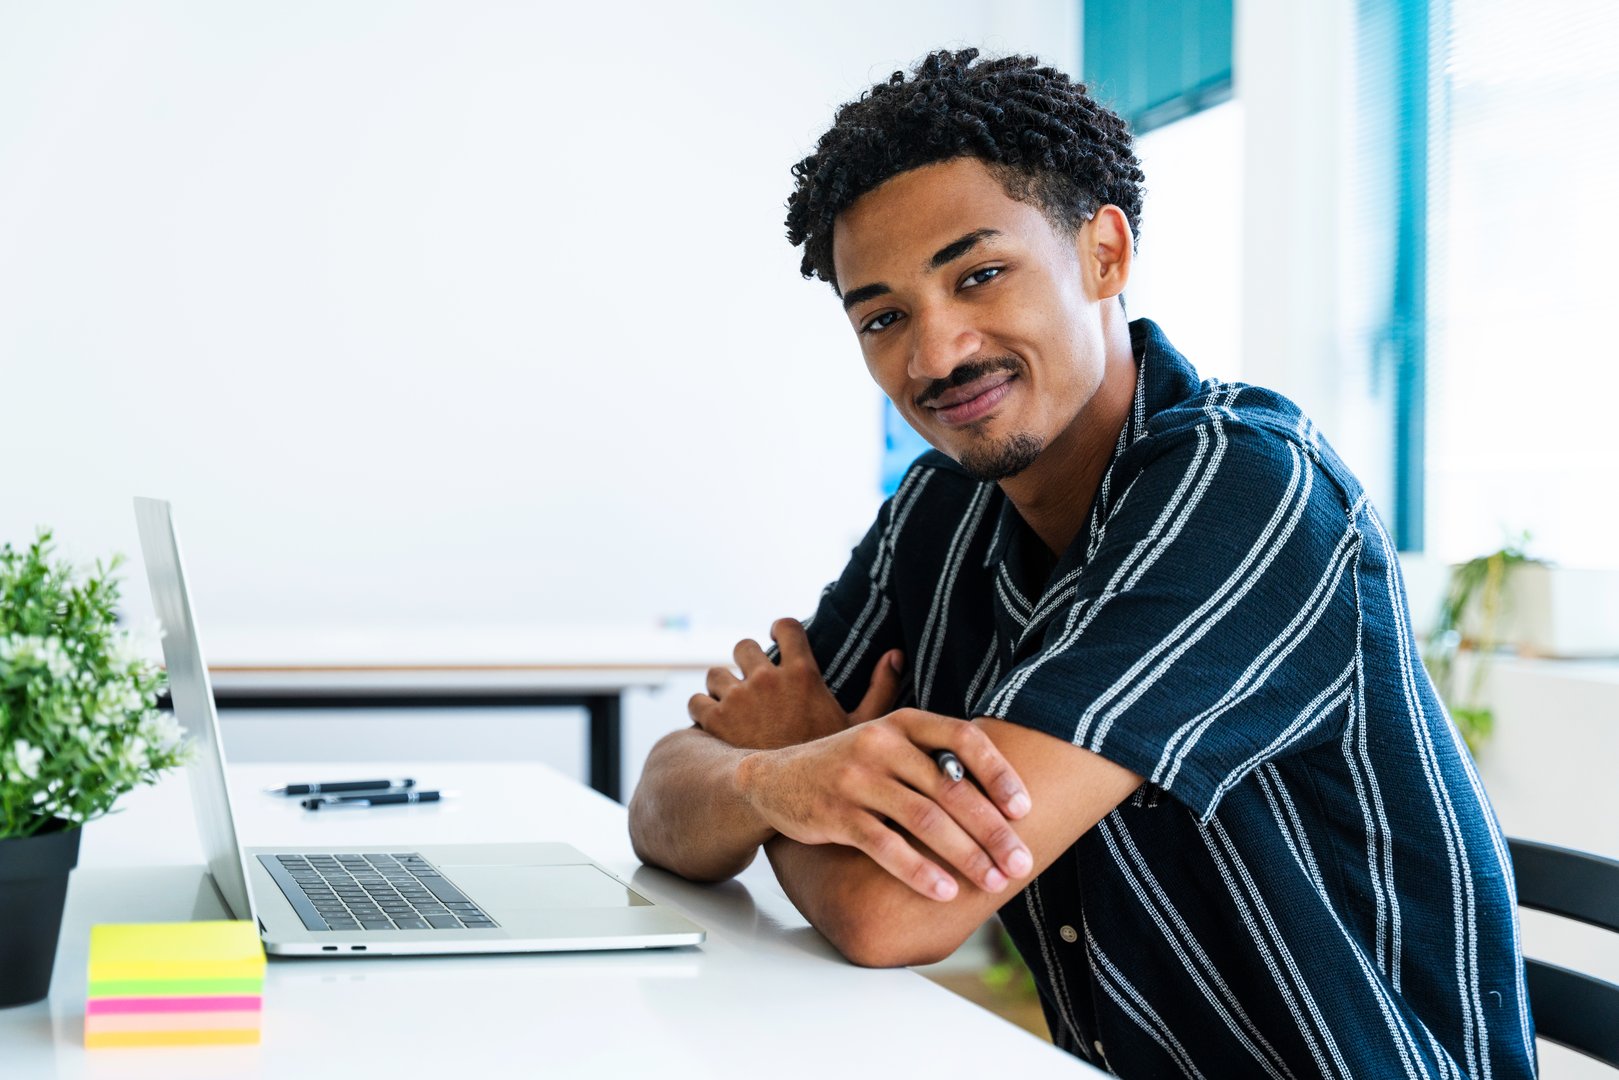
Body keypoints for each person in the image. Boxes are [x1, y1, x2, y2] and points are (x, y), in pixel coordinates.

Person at [628, 48, 1534, 1078]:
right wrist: (780, 772)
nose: (933, 356)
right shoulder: (943, 510)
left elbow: (889, 915)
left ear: (1103, 253)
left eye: (977, 275)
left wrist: (782, 779)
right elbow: (663, 796)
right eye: (881, 317)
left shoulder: (1243, 491)